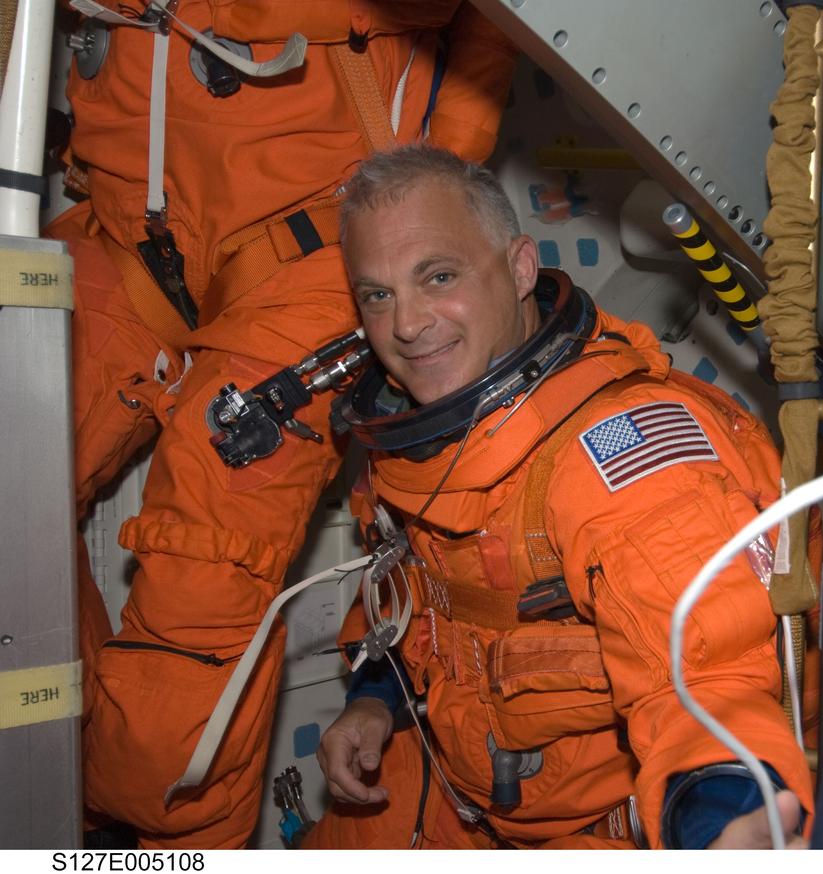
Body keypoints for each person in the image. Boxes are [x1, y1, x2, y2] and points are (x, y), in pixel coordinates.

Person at [45, 1, 516, 848]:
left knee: (202, 570)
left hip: (316, 238)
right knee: (13, 476)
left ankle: (165, 854)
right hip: (131, 227)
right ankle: (52, 806)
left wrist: (430, 197)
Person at [303, 144, 814, 849]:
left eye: (439, 276)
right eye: (377, 295)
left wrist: (722, 820)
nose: (408, 325)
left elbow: (708, 676)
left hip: (615, 822)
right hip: (464, 783)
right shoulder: (413, 443)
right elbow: (414, 601)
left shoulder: (619, 451)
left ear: (519, 269)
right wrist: (373, 701)